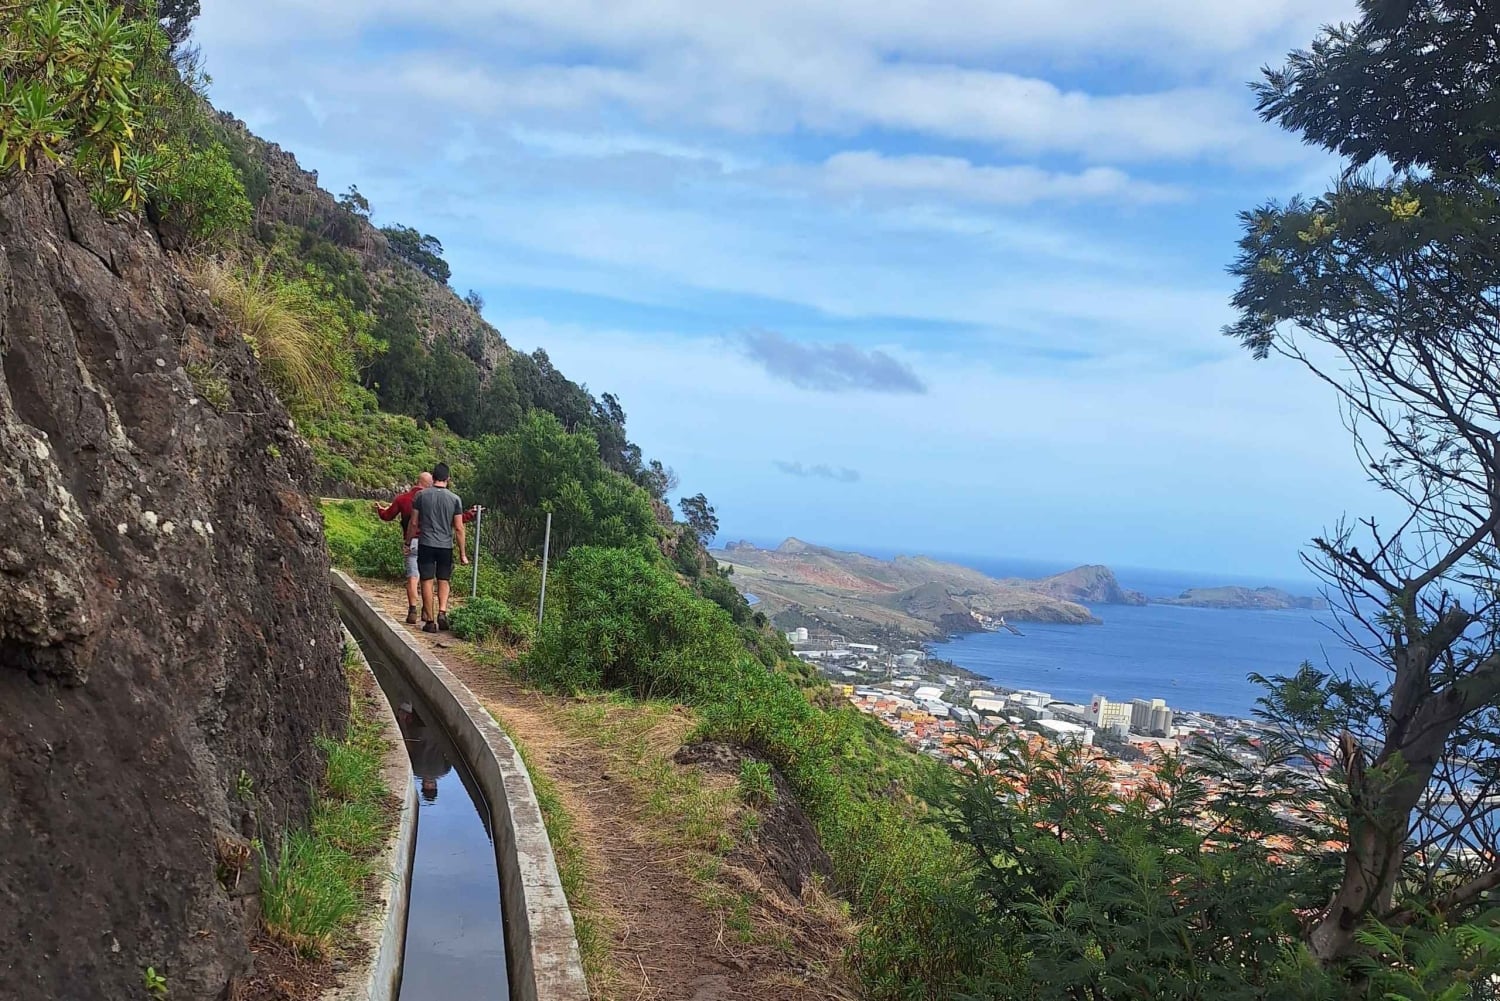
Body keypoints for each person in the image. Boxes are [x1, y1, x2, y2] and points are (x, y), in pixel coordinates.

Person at [408, 462, 468, 633]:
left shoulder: (421, 496)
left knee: (426, 580)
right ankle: (442, 611)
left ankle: (430, 621)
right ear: (448, 479)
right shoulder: (455, 499)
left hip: (426, 543)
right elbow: (458, 528)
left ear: (433, 477)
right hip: (445, 546)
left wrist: (408, 542)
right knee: (444, 579)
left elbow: (413, 523)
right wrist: (462, 553)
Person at [374, 472, 433, 624]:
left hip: (412, 541)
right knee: (426, 578)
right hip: (429, 542)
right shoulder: (432, 499)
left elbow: (387, 516)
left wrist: (380, 510)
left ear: (417, 481)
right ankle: (426, 613)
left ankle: (412, 610)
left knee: (412, 577)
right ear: (429, 483)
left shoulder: (402, 498)